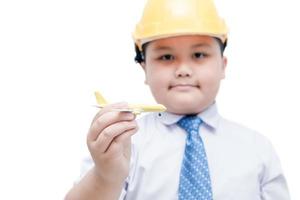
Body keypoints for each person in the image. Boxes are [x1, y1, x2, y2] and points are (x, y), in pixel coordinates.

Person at [65, 0, 290, 199]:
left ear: (223, 65)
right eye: (166, 57)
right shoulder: (125, 143)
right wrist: (105, 176)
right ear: (144, 68)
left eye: (199, 55)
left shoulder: (257, 149)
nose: (183, 69)